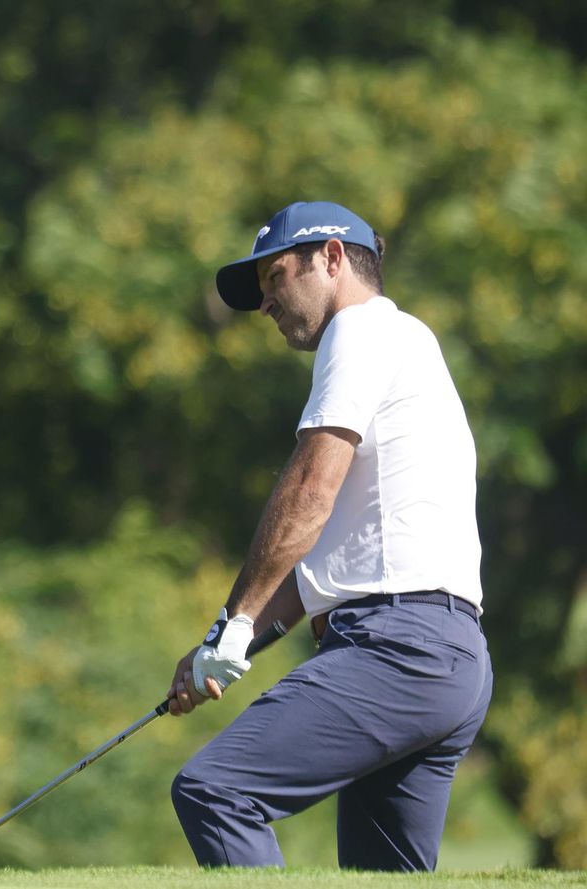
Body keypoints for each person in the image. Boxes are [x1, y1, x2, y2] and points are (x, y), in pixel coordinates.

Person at [163, 201, 493, 871]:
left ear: (332, 257)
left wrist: (235, 620)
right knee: (380, 876)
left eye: (276, 276)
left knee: (216, 790)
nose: (266, 303)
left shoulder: (362, 332)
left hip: (399, 646)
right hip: (451, 658)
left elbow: (311, 486)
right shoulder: (409, 343)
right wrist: (227, 639)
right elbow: (319, 568)